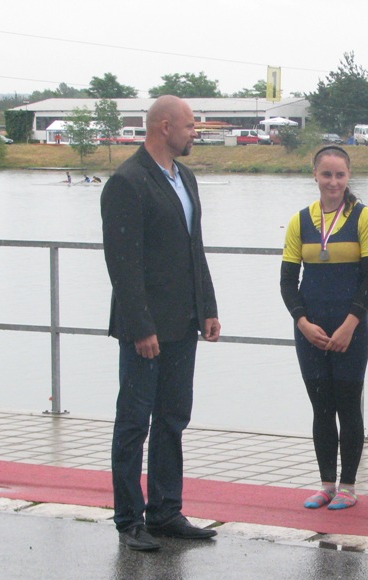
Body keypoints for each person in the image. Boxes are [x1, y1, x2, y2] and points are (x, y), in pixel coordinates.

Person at [101, 95, 221, 552]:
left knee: (173, 418)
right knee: (134, 422)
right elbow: (122, 264)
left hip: (183, 322)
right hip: (146, 329)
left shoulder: (185, 177)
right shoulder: (127, 181)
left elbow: (194, 249)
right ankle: (129, 519)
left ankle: (166, 511)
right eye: (189, 126)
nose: (195, 134)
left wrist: (207, 308)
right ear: (164, 126)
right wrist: (140, 327)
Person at [280, 146, 368, 510]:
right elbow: (288, 282)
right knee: (321, 408)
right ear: (315, 175)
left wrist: (350, 324)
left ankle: (348, 486)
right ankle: (326, 484)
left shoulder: (364, 218)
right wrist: (303, 322)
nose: (333, 182)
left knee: (348, 407)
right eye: (326, 174)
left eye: (340, 175)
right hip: (311, 332)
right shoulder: (300, 221)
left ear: (348, 176)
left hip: (350, 330)